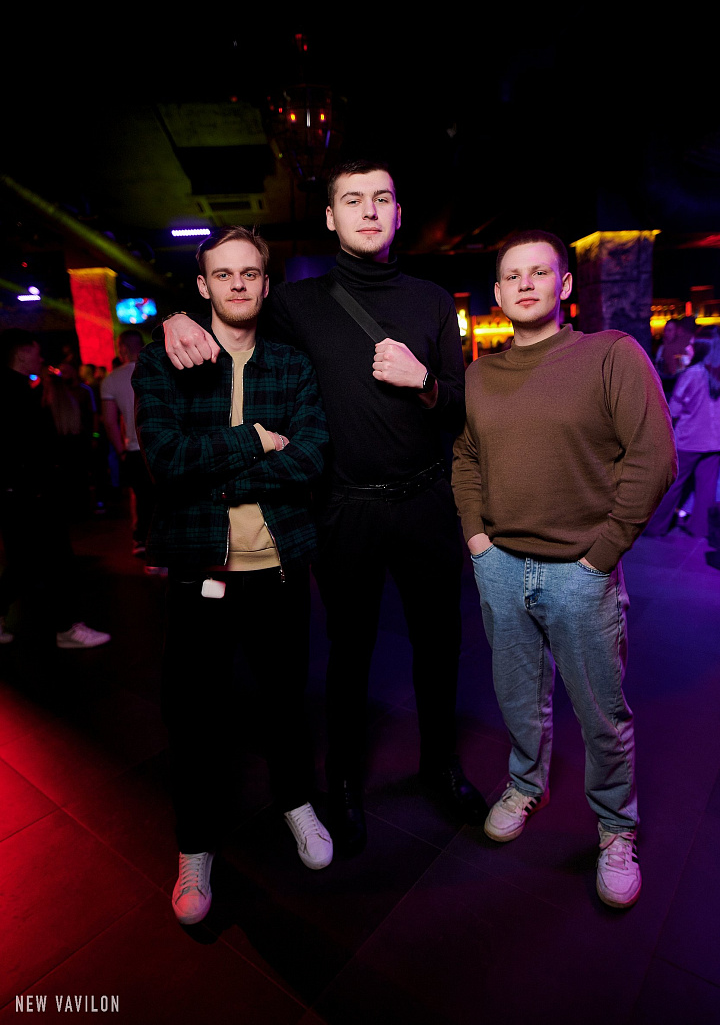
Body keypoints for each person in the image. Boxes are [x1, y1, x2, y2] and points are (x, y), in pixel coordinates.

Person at [161, 159, 486, 856]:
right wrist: (173, 318)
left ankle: (441, 766)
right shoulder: (298, 303)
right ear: (331, 217)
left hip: (425, 498)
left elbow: (461, 407)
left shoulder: (433, 300)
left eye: (382, 198)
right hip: (345, 508)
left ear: (398, 213)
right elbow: (233, 305)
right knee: (349, 654)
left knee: (439, 646)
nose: (369, 210)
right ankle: (341, 784)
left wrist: (426, 382)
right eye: (352, 200)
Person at [452, 231, 677, 909]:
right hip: (500, 567)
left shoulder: (611, 354)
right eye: (512, 276)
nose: (525, 284)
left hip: (581, 573)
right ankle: (526, 785)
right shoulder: (481, 374)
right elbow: (466, 458)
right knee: (518, 698)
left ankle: (616, 828)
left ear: (565, 284)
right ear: (497, 293)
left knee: (601, 712)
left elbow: (654, 457)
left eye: (539, 272)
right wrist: (477, 539)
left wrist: (602, 553)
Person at [132, 226, 333, 926]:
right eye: (224, 274)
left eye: (250, 273)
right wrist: (253, 440)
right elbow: (165, 460)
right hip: (201, 571)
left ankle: (297, 802)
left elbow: (311, 455)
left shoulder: (291, 364)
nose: (238, 284)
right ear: (203, 285)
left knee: (285, 700)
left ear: (266, 285)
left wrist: (217, 475)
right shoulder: (166, 360)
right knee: (194, 715)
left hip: (279, 569)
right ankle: (195, 845)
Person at [0, 329, 111, 649]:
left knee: (25, 562)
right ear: (21, 354)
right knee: (56, 559)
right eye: (36, 352)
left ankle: (65, 625)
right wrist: (36, 484)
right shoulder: (14, 391)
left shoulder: (15, 388)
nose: (41, 358)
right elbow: (24, 446)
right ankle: (67, 628)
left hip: (19, 491)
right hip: (29, 491)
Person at [646, 333, 720, 539]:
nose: (687, 348)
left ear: (704, 349)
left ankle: (656, 527)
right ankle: (701, 529)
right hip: (715, 442)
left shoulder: (693, 374)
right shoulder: (716, 374)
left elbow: (674, 409)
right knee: (706, 489)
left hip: (689, 440)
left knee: (672, 485)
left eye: (692, 345)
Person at [101, 329, 156, 560]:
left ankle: (142, 542)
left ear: (122, 348)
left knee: (141, 497)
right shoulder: (158, 369)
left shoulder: (111, 379)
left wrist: (121, 451)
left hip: (135, 448)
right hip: (163, 444)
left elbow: (110, 421)